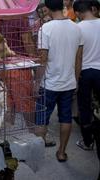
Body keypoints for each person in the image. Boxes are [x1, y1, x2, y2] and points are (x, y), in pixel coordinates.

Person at [35, 0, 83, 162]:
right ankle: (61, 152)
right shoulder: (77, 27)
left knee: (42, 119)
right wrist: (75, 80)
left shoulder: (45, 28)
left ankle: (39, 155)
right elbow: (78, 59)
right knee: (65, 118)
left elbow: (43, 60)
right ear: (62, 7)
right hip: (68, 83)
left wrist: (36, 82)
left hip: (48, 83)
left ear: (47, 8)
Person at [73, 0, 100, 151]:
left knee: (84, 108)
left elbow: (78, 57)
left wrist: (76, 79)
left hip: (85, 72)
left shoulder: (78, 28)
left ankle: (88, 141)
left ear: (77, 13)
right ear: (92, 9)